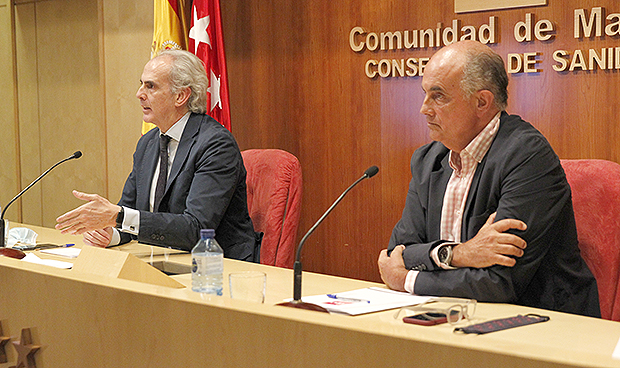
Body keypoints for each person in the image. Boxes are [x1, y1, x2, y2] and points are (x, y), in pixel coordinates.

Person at [377, 40, 600, 317]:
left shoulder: (527, 156)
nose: (424, 108)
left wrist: (407, 279)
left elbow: (500, 282)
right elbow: (398, 252)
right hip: (451, 314)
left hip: (539, 323)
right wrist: (458, 254)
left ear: (482, 101)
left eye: (438, 96)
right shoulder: (427, 160)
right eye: (425, 94)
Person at [56, 50, 257, 261]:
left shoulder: (215, 145)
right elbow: (132, 213)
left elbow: (197, 229)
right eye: (141, 84)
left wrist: (118, 216)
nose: (139, 93)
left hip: (217, 268)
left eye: (150, 86)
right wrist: (110, 234)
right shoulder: (148, 143)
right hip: (164, 260)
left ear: (181, 96)